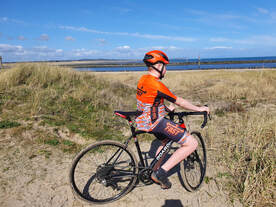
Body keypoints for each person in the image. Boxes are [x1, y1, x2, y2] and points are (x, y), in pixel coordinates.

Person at [135, 50, 210, 189]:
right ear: (158, 65)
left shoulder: (143, 79)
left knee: (165, 140)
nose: (166, 69)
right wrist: (199, 109)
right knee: (192, 143)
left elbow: (149, 101)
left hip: (142, 120)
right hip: (154, 122)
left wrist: (166, 110)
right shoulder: (157, 84)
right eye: (165, 65)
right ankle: (161, 173)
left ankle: (154, 171)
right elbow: (179, 101)